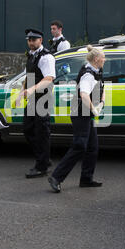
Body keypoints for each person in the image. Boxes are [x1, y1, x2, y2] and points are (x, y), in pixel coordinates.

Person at [48, 45, 105, 193]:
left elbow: (101, 87)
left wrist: (102, 103)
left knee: (92, 147)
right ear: (97, 59)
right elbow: (84, 95)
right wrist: (93, 108)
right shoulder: (88, 74)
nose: (104, 59)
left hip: (87, 113)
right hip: (80, 113)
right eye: (103, 57)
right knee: (80, 145)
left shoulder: (96, 70)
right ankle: (56, 177)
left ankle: (86, 179)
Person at [16, 28, 56, 178]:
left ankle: (42, 167)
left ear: (41, 40)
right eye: (29, 39)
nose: (31, 42)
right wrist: (22, 92)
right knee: (27, 129)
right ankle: (44, 158)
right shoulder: (32, 56)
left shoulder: (46, 57)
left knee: (41, 133)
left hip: (43, 99)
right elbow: (29, 75)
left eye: (34, 39)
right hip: (33, 98)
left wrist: (32, 89)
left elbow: (49, 78)